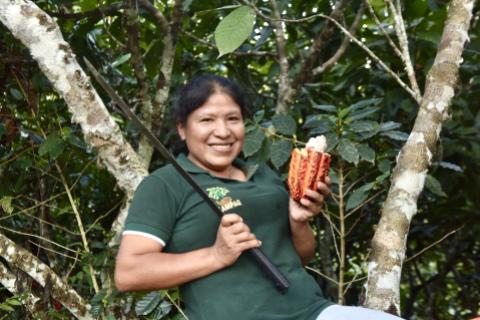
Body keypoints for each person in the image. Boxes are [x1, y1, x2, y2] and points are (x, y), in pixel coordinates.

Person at [114, 74, 404, 320]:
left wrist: (299, 221)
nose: (223, 132)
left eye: (233, 119)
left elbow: (299, 257)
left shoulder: (263, 174)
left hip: (314, 312)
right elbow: (129, 274)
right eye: (206, 120)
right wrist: (216, 256)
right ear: (182, 128)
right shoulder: (165, 184)